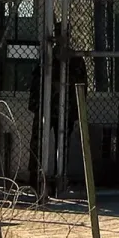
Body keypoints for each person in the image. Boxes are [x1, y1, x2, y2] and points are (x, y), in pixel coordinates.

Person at [26, 22, 87, 199]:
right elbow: (36, 82)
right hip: (46, 108)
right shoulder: (47, 57)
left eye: (64, 35)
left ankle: (61, 179)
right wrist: (37, 105)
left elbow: (82, 87)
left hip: (65, 108)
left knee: (63, 146)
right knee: (38, 143)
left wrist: (77, 112)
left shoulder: (75, 59)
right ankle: (35, 180)